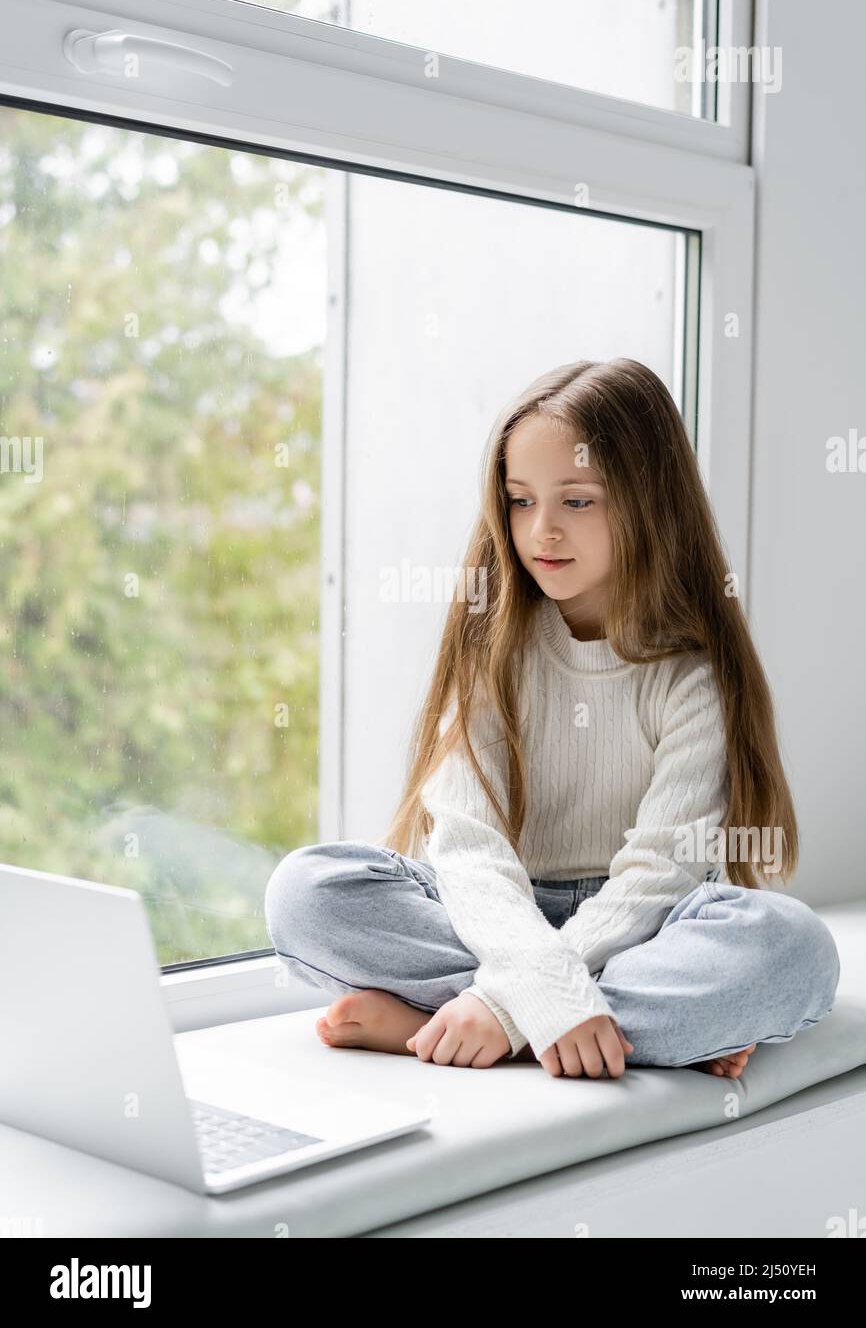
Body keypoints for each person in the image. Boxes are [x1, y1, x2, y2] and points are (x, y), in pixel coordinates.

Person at [264, 359, 840, 1081]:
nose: (542, 530)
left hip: (645, 926)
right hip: (498, 911)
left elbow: (659, 875)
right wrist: (537, 976)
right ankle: (615, 1029)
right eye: (519, 500)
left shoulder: (691, 675)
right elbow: (469, 851)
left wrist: (508, 1002)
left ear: (649, 502)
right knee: (307, 890)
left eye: (577, 501)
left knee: (791, 945)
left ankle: (469, 1025)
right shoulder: (492, 650)